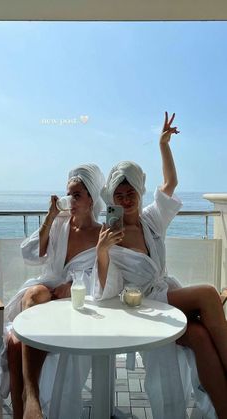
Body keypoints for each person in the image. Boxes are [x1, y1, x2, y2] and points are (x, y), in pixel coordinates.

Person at [94, 112, 227, 419]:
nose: (126, 199)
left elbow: (170, 182)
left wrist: (163, 145)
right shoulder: (111, 235)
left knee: (200, 338)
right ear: (113, 198)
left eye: (131, 193)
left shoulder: (151, 219)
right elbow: (104, 290)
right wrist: (102, 251)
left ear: (140, 193)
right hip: (143, 304)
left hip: (166, 294)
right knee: (208, 293)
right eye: (120, 194)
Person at [0, 163, 105, 419]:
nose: (70, 200)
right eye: (69, 194)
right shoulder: (60, 223)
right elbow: (32, 253)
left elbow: (105, 275)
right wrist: (50, 216)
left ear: (92, 198)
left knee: (14, 342)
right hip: (49, 287)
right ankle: (31, 402)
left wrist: (77, 283)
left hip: (78, 299)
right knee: (32, 295)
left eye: (77, 195)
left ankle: (28, 400)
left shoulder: (101, 233)